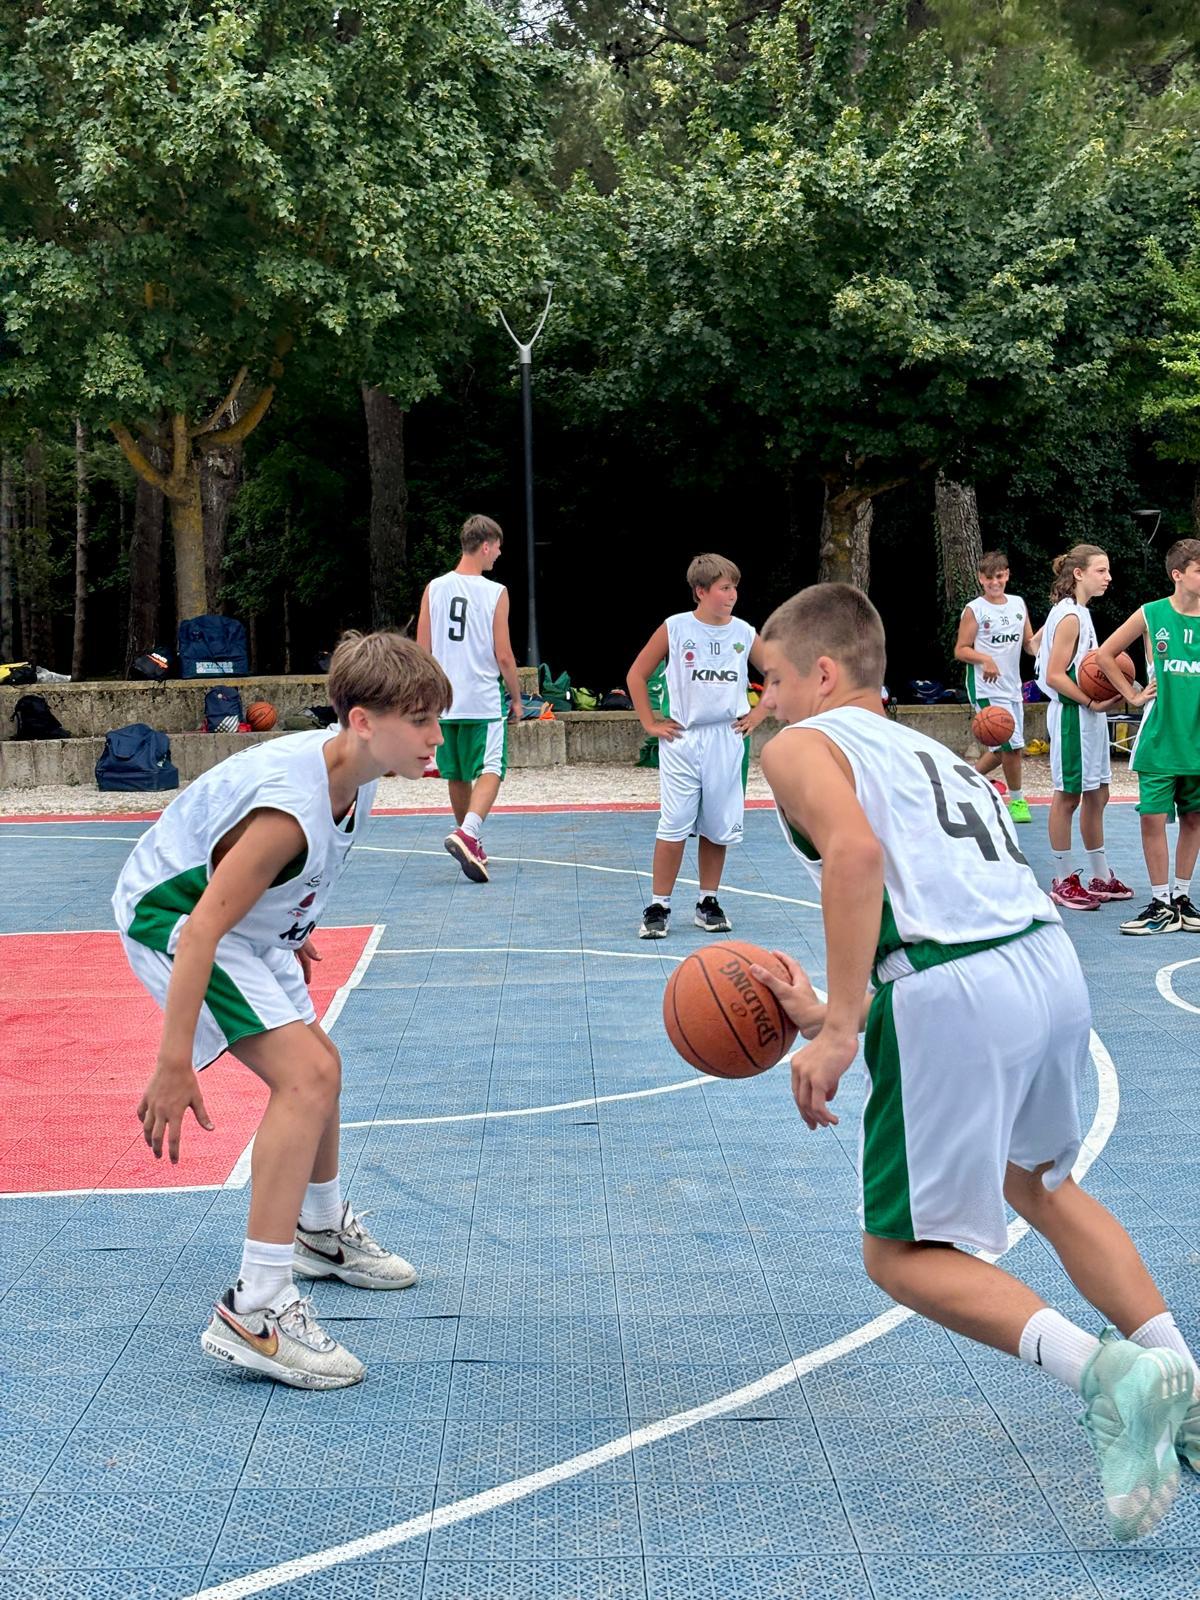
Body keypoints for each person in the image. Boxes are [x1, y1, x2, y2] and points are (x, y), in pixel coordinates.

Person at [748, 581, 1197, 1544]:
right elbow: (945, 898)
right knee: (1043, 1183)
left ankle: (1111, 1378)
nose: (766, 702)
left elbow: (856, 858)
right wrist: (837, 1005)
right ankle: (1187, 1387)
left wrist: (839, 1030)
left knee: (900, 1254)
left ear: (821, 673)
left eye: (771, 680)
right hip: (1043, 964)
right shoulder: (931, 751)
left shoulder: (799, 745)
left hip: (954, 989)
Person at [113, 631, 451, 1389]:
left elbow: (277, 874)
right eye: (421, 721)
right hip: (176, 919)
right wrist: (173, 1061)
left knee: (322, 1064)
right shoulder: (290, 812)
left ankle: (321, 1232)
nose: (436, 736)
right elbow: (202, 926)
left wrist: (288, 924)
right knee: (305, 1078)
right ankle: (255, 1309)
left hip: (242, 922)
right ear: (363, 721)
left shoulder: (359, 769)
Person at [627, 553, 768, 938]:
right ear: (700, 591)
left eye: (735, 587)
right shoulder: (675, 628)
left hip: (727, 737)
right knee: (674, 822)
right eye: (724, 588)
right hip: (683, 738)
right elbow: (636, 674)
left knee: (718, 825)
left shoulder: (744, 633)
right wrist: (649, 722)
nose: (732, 595)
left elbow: (779, 673)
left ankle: (708, 901)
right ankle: (659, 905)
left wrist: (759, 714)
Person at [1095, 538, 1200, 936]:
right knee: (1152, 819)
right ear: (1178, 574)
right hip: (1160, 736)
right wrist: (1133, 695)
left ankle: (1182, 897)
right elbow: (1105, 654)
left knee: (1194, 819)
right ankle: (1161, 902)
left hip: (1197, 737)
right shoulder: (1152, 613)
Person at [417, 513, 523, 884]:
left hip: (444, 700)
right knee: (493, 768)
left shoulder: (434, 588)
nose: (499, 554)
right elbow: (504, 655)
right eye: (498, 548)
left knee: (458, 773)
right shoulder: (495, 592)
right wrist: (517, 697)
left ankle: (469, 840)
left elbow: (423, 650)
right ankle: (468, 832)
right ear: (486, 546)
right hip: (482, 698)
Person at [1034, 545, 1132, 910]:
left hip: (1089, 715)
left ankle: (1100, 875)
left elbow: (1034, 645)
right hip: (1073, 714)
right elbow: (1054, 675)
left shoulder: (1076, 612)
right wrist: (1090, 701)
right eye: (1101, 571)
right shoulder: (1070, 617)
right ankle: (1062, 880)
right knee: (1068, 796)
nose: (1108, 577)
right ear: (1079, 573)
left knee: (1098, 794)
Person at [954, 551, 1039, 824]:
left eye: (999, 576)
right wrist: (985, 659)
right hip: (985, 688)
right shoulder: (975, 609)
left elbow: (1030, 644)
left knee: (1003, 748)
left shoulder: (1018, 604)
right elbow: (961, 649)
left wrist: (1050, 643)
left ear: (1007, 575)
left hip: (1012, 686)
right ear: (980, 578)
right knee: (1013, 746)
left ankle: (965, 782)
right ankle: (1018, 801)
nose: (994, 582)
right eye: (989, 577)